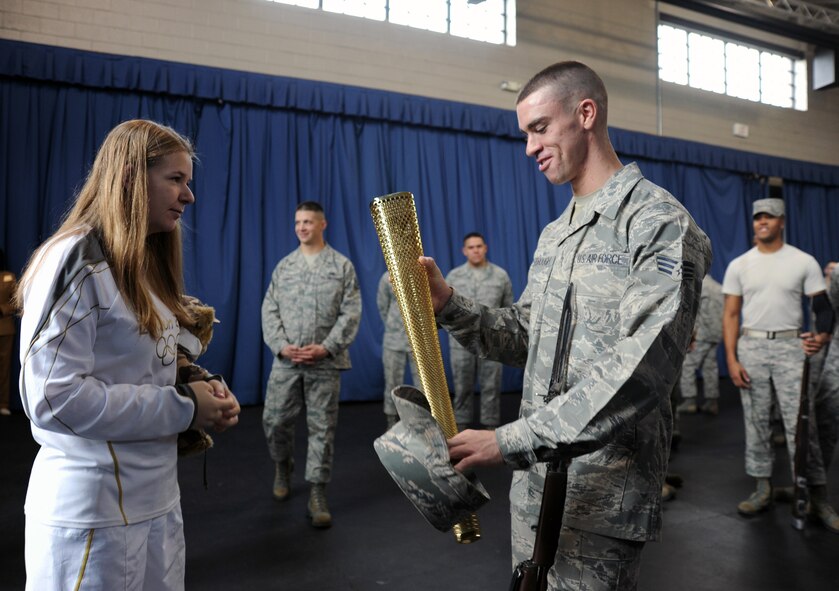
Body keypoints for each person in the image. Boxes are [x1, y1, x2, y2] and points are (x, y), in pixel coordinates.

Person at [421, 61, 710, 590]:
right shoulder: (558, 233)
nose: (529, 147)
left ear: (585, 113)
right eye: (525, 134)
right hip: (536, 489)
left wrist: (509, 440)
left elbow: (643, 370)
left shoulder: (657, 222)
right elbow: (527, 335)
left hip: (602, 494)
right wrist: (449, 306)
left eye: (539, 128)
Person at [15, 119, 241, 590]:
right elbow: (53, 398)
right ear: (131, 176)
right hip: (92, 516)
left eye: (188, 182)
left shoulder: (142, 264)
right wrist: (184, 407)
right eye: (176, 180)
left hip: (155, 503)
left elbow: (137, 363)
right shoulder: (75, 258)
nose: (188, 196)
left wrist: (193, 382)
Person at [722, 197, 838, 529]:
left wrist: (824, 336)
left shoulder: (802, 261)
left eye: (769, 217)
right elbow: (730, 315)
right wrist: (731, 358)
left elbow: (823, 307)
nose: (762, 222)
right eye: (758, 217)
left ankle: (817, 497)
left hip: (790, 347)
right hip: (752, 346)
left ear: (781, 222)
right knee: (756, 421)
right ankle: (762, 488)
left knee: (802, 425)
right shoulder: (740, 265)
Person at [261, 201, 361, 529]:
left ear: (322, 225)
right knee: (275, 421)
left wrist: (326, 348)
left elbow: (351, 311)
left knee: (322, 429)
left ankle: (317, 492)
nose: (302, 227)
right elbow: (269, 308)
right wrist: (281, 346)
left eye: (308, 222)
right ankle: (282, 465)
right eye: (298, 222)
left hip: (324, 363)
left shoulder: (341, 266)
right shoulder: (285, 267)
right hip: (287, 361)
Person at [445, 233, 514, 430]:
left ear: (485, 248)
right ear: (464, 251)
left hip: (491, 340)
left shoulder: (500, 275)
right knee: (462, 386)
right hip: (461, 342)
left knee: (491, 386)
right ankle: (461, 425)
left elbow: (508, 308)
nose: (475, 250)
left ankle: (490, 427)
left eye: (479, 246)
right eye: (471, 247)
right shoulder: (454, 276)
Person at [804, 260, 839, 532]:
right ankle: (816, 494)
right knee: (825, 424)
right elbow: (830, 313)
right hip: (836, 362)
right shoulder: (837, 274)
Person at [377, 270, 420, 430]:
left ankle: (424, 424)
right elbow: (383, 306)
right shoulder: (386, 277)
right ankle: (392, 424)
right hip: (394, 340)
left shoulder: (422, 274)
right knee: (392, 383)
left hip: (420, 340)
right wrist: (395, 326)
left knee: (424, 386)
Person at [677, 273, 724, 415]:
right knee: (710, 367)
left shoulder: (699, 286)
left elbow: (696, 313)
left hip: (702, 334)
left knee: (688, 365)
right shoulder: (718, 287)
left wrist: (691, 335)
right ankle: (712, 402)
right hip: (716, 333)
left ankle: (690, 401)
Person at [0, 248, 15, 416]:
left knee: (4, 370)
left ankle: (3, 403)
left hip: (5, 329)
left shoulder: (9, 277)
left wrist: (2, 309)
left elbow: (17, 303)